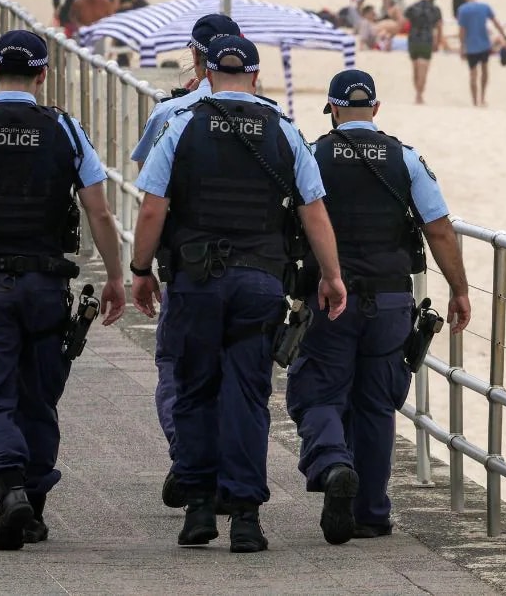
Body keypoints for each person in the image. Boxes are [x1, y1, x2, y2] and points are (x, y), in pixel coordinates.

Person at [130, 34, 347, 553]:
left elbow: (152, 208)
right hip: (260, 283)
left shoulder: (181, 125)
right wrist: (331, 276)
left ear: (206, 74)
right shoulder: (284, 130)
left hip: (195, 283)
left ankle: (199, 509)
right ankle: (246, 517)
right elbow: (313, 211)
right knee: (248, 397)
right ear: (255, 75)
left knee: (194, 391)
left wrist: (141, 269)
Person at [0, 30, 126, 550]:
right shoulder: (66, 128)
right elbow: (99, 211)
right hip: (46, 285)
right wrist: (117, 278)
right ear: (43, 75)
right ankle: (31, 508)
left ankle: (9, 489)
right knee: (38, 396)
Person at [286, 69, 471, 546]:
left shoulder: (312, 153)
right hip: (391, 301)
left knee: (319, 393)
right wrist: (460, 289)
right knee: (376, 405)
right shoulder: (406, 157)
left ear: (331, 109)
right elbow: (440, 229)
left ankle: (333, 465)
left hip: (331, 297)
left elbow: (289, 219)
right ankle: (371, 513)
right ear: (377, 109)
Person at [129, 14, 241, 507]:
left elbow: (151, 194)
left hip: (188, 267)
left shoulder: (172, 113)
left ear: (195, 56)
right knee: (238, 372)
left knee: (179, 366)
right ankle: (231, 474)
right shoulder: (272, 116)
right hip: (256, 266)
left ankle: (191, 463)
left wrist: (140, 269)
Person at [456, 0, 506, 107]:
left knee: (473, 74)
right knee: (485, 70)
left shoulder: (462, 10)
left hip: (471, 46)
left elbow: (462, 30)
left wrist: (462, 46)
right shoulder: (485, 7)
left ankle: (474, 101)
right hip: (484, 44)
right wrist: (504, 36)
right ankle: (483, 98)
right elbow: (496, 23)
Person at [405, 0, 444, 104]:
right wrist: (438, 42)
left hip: (413, 40)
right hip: (427, 40)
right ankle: (419, 95)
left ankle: (417, 93)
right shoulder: (435, 9)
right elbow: (439, 27)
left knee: (415, 68)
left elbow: (405, 24)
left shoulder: (412, 7)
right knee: (423, 69)